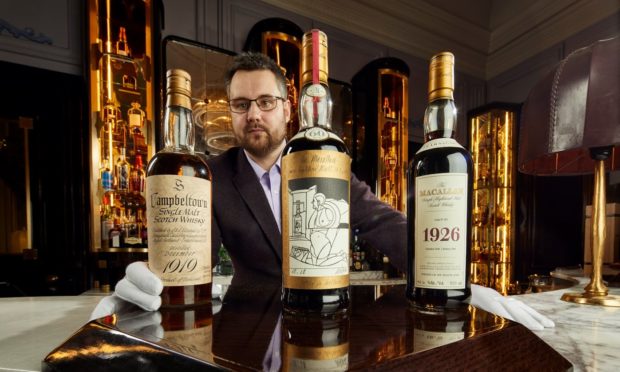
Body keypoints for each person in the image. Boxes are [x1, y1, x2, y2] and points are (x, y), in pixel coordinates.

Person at [91, 52, 554, 332]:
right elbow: (192, 259)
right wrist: (149, 289)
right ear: (229, 113)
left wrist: (453, 280)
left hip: (330, 321)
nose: (254, 114)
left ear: (289, 109)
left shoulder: (327, 166)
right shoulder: (211, 175)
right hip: (248, 333)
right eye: (241, 104)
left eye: (266, 102)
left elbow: (384, 222)